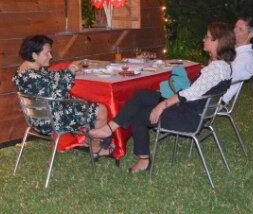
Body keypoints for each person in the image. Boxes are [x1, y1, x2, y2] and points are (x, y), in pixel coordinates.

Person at [89, 22, 235, 174]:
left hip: (188, 118)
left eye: (207, 37)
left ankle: (143, 161)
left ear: (217, 41)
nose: (203, 39)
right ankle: (109, 129)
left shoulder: (217, 68)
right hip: (193, 111)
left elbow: (189, 94)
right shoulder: (222, 66)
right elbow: (198, 90)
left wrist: (162, 105)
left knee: (139, 115)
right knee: (141, 95)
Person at [13, 35, 112, 158]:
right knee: (100, 109)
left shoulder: (24, 71)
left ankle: (87, 140)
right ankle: (95, 148)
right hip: (51, 121)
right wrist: (70, 72)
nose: (51, 56)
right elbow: (60, 91)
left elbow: (51, 76)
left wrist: (71, 70)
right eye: (47, 53)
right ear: (34, 55)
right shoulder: (33, 77)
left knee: (83, 103)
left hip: (36, 118)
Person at [223, 17, 253, 104]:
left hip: (215, 99)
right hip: (207, 89)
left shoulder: (247, 57)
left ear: (250, 35)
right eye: (235, 27)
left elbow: (223, 77)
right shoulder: (231, 48)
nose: (234, 31)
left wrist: (214, 51)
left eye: (240, 29)